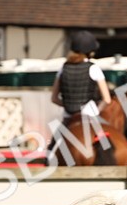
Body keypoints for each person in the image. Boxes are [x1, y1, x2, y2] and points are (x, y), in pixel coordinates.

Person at [48, 30, 111, 160]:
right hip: (90, 116)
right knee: (108, 147)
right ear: (90, 51)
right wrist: (97, 110)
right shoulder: (93, 68)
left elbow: (54, 98)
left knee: (50, 152)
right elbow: (107, 99)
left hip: (68, 118)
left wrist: (66, 104)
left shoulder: (63, 68)